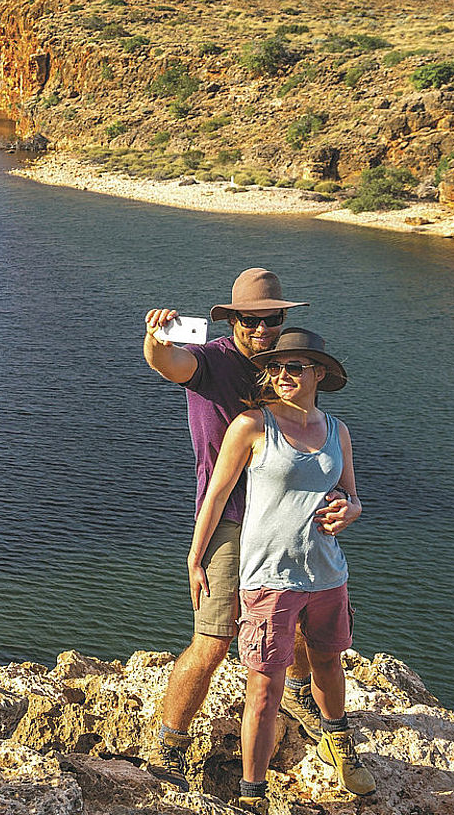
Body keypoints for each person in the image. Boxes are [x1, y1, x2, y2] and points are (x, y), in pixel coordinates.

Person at [140, 268, 328, 789]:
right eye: (251, 320)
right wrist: (156, 339)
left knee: (301, 628)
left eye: (271, 320)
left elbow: (313, 443)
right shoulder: (212, 360)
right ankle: (170, 742)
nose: (261, 330)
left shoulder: (290, 364)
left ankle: (300, 697)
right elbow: (169, 363)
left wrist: (337, 502)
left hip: (289, 520)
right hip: (228, 521)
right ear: (233, 319)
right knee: (215, 639)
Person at [189, 328, 374, 809]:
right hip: (269, 577)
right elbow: (216, 494)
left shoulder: (338, 431)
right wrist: (196, 556)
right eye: (275, 367)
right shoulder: (251, 426)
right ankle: (254, 794)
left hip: (328, 573)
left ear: (318, 373)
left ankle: (340, 749)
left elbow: (352, 495)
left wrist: (352, 510)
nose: (283, 375)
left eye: (295, 367)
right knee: (264, 689)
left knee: (329, 665)